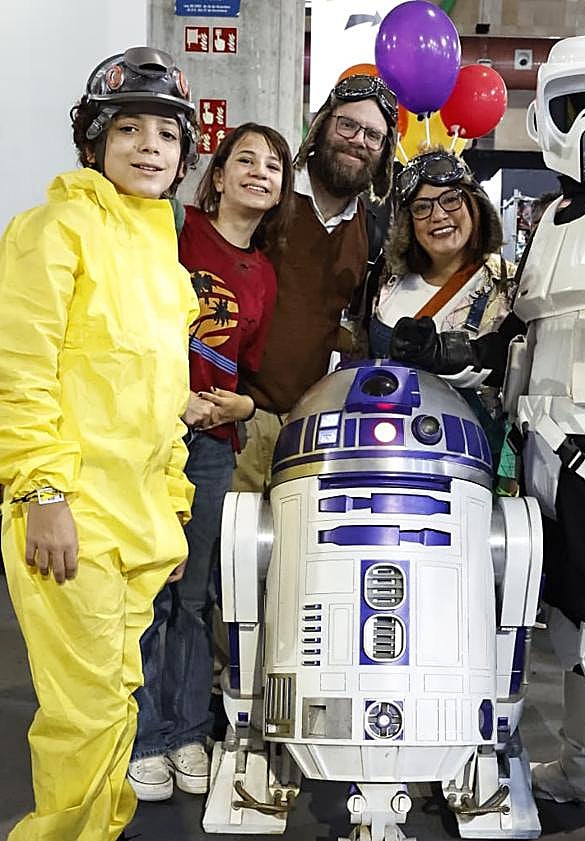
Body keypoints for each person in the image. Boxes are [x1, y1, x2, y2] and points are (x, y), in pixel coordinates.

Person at [393, 34, 585, 841]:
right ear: (548, 116)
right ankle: (578, 769)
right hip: (541, 465)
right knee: (569, 636)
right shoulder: (550, 222)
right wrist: (454, 356)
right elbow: (523, 340)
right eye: (577, 105)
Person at [0, 47, 199, 841]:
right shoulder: (52, 230)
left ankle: (99, 830)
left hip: (137, 523)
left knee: (114, 703)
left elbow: (165, 402)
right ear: (95, 143)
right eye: (129, 129)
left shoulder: (162, 253)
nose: (150, 146)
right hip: (70, 515)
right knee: (83, 715)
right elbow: (21, 371)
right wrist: (40, 493)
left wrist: (173, 509)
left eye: (167, 134)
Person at [128, 123, 294, 800]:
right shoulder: (172, 227)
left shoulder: (264, 275)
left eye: (274, 166)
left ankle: (189, 728)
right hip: (148, 432)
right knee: (147, 592)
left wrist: (240, 410)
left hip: (212, 449)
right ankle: (144, 735)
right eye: (245, 159)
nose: (259, 172)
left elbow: (247, 380)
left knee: (195, 596)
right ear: (217, 174)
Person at [235, 73, 398, 494]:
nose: (358, 140)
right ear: (323, 124)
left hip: (312, 431)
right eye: (348, 125)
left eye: (373, 136)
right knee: (223, 551)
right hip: (238, 421)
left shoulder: (372, 230)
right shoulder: (270, 194)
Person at [371, 149, 516, 462]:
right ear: (408, 222)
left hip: (470, 460)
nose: (438, 216)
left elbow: (521, 374)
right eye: (422, 207)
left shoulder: (508, 285)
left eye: (451, 199)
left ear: (474, 203)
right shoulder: (386, 282)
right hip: (385, 454)